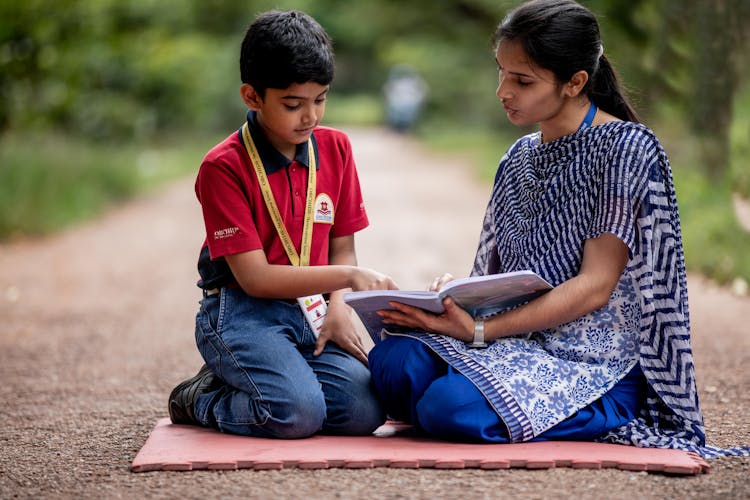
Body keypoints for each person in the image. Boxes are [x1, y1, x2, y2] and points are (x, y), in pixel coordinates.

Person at [368, 0, 749, 457]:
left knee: (446, 408)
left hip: (591, 363)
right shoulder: (519, 157)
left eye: (522, 80)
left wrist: (479, 333)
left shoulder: (625, 149)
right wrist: (456, 295)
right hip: (511, 340)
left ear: (576, 83)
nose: (502, 91)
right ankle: (480, 401)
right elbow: (496, 280)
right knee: (392, 363)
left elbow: (594, 288)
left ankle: (604, 409)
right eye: (502, 73)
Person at [167, 10, 397, 439]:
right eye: (293, 104)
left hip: (310, 309)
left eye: (320, 99)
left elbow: (342, 246)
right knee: (295, 414)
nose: (310, 117)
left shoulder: (336, 149)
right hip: (241, 310)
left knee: (365, 413)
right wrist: (348, 278)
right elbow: (254, 279)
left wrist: (340, 307)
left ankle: (270, 375)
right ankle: (201, 396)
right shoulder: (224, 166)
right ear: (252, 96)